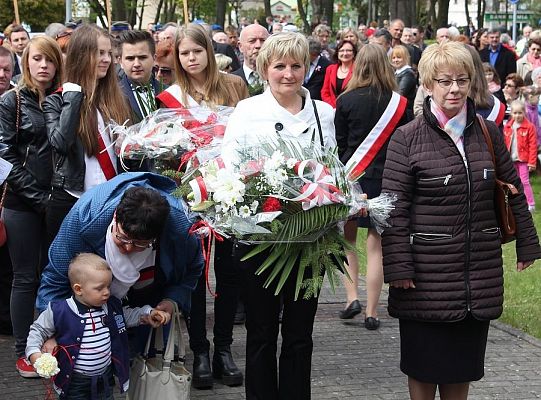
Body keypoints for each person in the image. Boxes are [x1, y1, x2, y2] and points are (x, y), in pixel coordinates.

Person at [381, 41, 541, 400]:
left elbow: (511, 188)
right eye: (444, 81)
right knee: (423, 367)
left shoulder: (487, 132)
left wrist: (528, 243)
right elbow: (393, 208)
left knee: (462, 367)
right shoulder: (406, 139)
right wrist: (399, 267)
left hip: (476, 271)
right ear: (427, 84)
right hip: (424, 276)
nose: (454, 89)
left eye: (462, 80)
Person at [221, 31, 336, 400]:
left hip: (311, 243)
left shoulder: (324, 113)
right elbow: (229, 169)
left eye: (296, 65)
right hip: (262, 241)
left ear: (307, 67)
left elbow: (334, 170)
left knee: (301, 336)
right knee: (261, 332)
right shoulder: (247, 111)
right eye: (279, 66)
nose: (288, 74)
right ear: (263, 68)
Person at [156, 23, 248, 390]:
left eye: (197, 51)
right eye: (184, 53)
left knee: (230, 273)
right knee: (194, 274)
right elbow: (165, 151)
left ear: (209, 51)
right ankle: (200, 351)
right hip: (189, 196)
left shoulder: (235, 87)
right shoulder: (170, 97)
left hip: (231, 193)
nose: (191, 58)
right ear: (177, 58)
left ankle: (224, 348)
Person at [0, 36, 63, 377]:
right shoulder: (12, 100)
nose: (43, 66)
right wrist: (40, 199)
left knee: (53, 275)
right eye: (37, 59)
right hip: (23, 204)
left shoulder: (65, 97)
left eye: (49, 60)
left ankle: (52, 343)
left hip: (57, 201)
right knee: (24, 277)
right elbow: (4, 155)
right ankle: (25, 348)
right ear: (27, 62)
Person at [335, 43, 409, 330]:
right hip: (387, 179)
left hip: (353, 179)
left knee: (346, 240)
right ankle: (372, 310)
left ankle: (351, 297)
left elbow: (339, 145)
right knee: (376, 246)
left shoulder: (346, 100)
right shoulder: (399, 103)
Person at [26, 253, 170, 399]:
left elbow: (126, 316)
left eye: (108, 286)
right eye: (100, 288)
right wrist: (34, 354)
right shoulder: (59, 310)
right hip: (75, 381)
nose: (107, 292)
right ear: (78, 289)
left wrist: (147, 313)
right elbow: (38, 330)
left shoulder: (111, 306)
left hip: (105, 378)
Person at [43, 24, 131, 247]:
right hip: (73, 201)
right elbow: (60, 143)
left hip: (112, 200)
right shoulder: (57, 100)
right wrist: (74, 97)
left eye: (109, 53)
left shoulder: (115, 99)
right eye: (99, 53)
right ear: (81, 55)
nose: (106, 60)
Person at [117, 30, 162, 123]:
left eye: (142, 57)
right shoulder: (112, 96)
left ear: (154, 59)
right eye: (130, 58)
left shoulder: (169, 92)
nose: (136, 64)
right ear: (120, 61)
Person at [503, 100, 538, 212]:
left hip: (523, 160)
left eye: (520, 113)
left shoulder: (529, 127)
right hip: (511, 160)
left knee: (524, 181)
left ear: (524, 112)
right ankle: (517, 202)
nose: (517, 115)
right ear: (511, 113)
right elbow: (504, 143)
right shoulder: (508, 127)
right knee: (513, 181)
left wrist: (532, 162)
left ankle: (531, 203)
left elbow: (533, 145)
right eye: (515, 113)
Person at [231, 23, 269, 97]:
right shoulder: (229, 82)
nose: (258, 45)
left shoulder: (280, 78)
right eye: (252, 41)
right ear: (240, 46)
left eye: (263, 40)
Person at [321, 39, 356, 108]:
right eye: (342, 50)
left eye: (348, 50)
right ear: (337, 53)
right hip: (332, 109)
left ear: (354, 53)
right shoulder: (330, 69)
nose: (345, 53)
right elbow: (325, 92)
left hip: (352, 109)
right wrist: (334, 107)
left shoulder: (359, 70)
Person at [390, 45, 416, 120]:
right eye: (393, 58)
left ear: (405, 58)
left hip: (405, 113)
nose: (396, 60)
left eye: (399, 57)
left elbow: (400, 93)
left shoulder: (408, 74)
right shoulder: (396, 73)